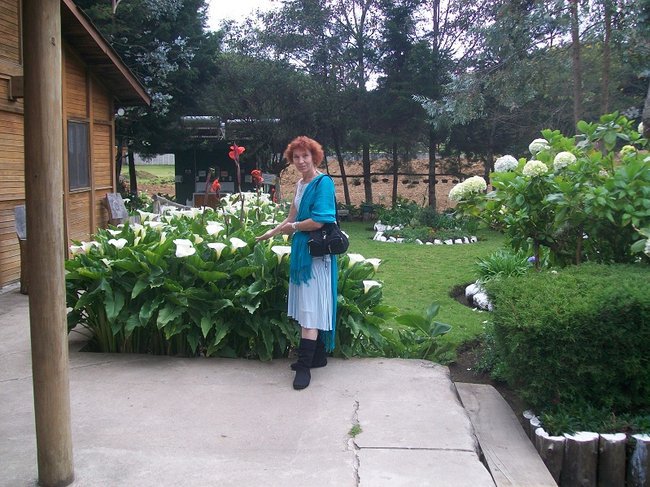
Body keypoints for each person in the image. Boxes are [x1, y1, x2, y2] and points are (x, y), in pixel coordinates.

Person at [256, 136, 338, 390]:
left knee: (310, 310)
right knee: (307, 306)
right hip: (303, 252)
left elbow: (320, 220)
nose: (301, 161)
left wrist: (293, 228)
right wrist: (271, 232)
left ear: (315, 157)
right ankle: (318, 357)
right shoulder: (301, 184)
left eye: (305, 156)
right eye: (296, 157)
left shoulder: (323, 183)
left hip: (316, 256)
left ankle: (304, 368)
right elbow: (291, 217)